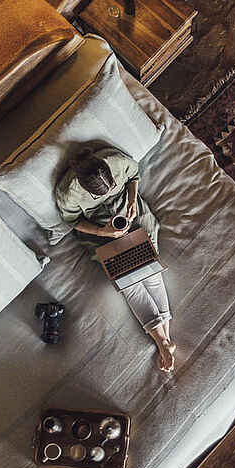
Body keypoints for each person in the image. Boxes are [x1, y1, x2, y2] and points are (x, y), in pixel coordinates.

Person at [55, 147, 175, 372]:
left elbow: (133, 175)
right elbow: (73, 221)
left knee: (149, 270)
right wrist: (102, 232)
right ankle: (164, 340)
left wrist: (132, 201)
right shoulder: (67, 192)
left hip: (132, 213)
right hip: (98, 227)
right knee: (130, 281)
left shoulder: (115, 160)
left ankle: (163, 342)